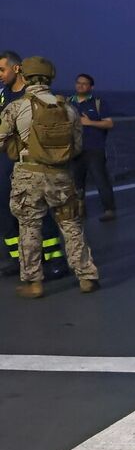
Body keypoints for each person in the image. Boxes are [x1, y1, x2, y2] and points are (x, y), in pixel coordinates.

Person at [0, 56, 99, 297]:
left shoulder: (16, 107)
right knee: (72, 226)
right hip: (61, 175)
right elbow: (76, 147)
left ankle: (34, 283)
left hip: (28, 174)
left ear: (25, 75)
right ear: (49, 77)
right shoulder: (68, 108)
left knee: (29, 228)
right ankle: (86, 276)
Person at [0, 51, 65, 276]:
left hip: (28, 161)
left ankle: (54, 258)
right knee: (5, 210)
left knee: (38, 209)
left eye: (2, 70)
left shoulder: (31, 97)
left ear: (16, 69)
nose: (0, 75)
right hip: (5, 161)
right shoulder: (3, 95)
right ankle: (18, 258)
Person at [69, 73, 116, 221]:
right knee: (76, 181)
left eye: (84, 83)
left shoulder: (98, 103)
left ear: (91, 87)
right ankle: (80, 209)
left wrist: (89, 123)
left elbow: (109, 123)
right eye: (78, 83)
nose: (80, 85)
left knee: (101, 180)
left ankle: (109, 210)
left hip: (94, 148)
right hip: (75, 148)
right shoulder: (68, 102)